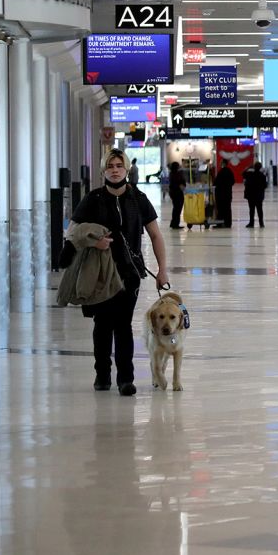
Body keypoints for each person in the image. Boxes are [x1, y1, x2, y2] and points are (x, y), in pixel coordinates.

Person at [71, 148, 169, 396]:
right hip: (100, 273)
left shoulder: (138, 198)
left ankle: (126, 378)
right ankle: (102, 374)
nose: (115, 170)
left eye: (119, 165)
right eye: (110, 166)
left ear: (127, 168)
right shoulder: (93, 199)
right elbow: (71, 231)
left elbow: (155, 235)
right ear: (104, 170)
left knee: (123, 325)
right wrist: (95, 242)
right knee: (102, 324)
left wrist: (162, 270)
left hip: (129, 273)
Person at [243, 162, 268, 228]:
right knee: (260, 210)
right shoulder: (262, 176)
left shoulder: (250, 174)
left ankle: (251, 223)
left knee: (251, 210)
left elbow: (243, 174)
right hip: (259, 196)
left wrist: (248, 168)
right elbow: (265, 186)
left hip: (251, 195)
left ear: (254, 167)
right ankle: (261, 223)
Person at [213, 162, 235, 228]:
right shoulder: (230, 171)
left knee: (220, 209)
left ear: (223, 164)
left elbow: (216, 182)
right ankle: (228, 224)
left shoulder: (221, 172)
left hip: (220, 194)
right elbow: (233, 181)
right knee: (228, 209)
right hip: (228, 194)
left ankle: (220, 223)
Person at [167, 161, 187, 229]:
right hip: (177, 193)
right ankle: (175, 224)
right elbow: (181, 182)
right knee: (178, 209)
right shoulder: (177, 174)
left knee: (176, 208)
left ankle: (174, 223)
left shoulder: (171, 173)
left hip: (173, 192)